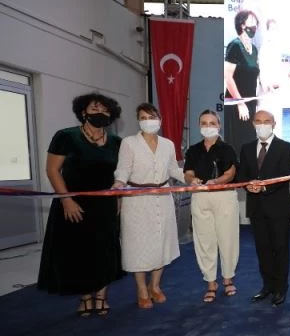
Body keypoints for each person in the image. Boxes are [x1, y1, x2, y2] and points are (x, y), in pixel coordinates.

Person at [37, 93, 124, 316]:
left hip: (105, 206)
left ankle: (101, 297)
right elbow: (52, 170)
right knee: (79, 252)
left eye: (105, 110)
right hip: (74, 204)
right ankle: (85, 298)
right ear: (83, 112)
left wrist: (118, 200)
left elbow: (120, 175)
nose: (100, 114)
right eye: (95, 109)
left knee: (104, 252)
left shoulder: (117, 142)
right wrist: (66, 199)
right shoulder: (66, 136)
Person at [112, 103, 184, 309]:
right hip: (137, 200)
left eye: (151, 117)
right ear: (138, 121)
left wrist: (191, 178)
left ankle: (155, 286)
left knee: (161, 243)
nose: (148, 121)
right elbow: (123, 169)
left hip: (163, 198)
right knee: (139, 246)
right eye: (143, 118)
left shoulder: (168, 144)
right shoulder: (129, 143)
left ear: (160, 119)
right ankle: (142, 289)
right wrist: (118, 183)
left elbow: (173, 169)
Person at [238, 110, 290, 307]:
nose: (262, 124)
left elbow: (285, 175)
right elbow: (242, 175)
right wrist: (248, 185)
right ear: (253, 124)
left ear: (274, 123)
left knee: (280, 249)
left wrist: (263, 187)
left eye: (267, 121)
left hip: (279, 208)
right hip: (256, 208)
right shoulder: (246, 148)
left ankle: (281, 287)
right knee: (262, 249)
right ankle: (267, 285)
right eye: (259, 121)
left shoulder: (286, 147)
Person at [183, 110, 240, 303]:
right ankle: (210, 282)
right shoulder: (193, 150)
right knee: (204, 240)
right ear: (199, 126)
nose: (208, 127)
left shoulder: (227, 148)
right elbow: (188, 173)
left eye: (212, 123)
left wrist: (215, 182)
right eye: (204, 123)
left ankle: (228, 278)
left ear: (219, 126)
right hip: (200, 197)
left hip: (224, 196)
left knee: (227, 238)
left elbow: (230, 174)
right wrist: (192, 180)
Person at [224, 9, 261, 148]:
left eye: (256, 22)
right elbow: (228, 77)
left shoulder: (254, 49)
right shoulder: (234, 46)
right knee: (237, 145)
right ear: (242, 25)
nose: (254, 25)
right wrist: (239, 103)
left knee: (250, 144)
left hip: (250, 103)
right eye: (251, 21)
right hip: (237, 104)